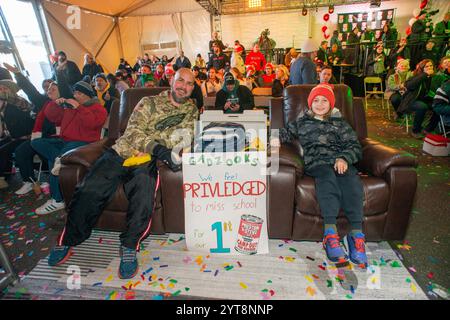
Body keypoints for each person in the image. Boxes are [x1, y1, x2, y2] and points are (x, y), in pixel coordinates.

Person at [46, 69, 198, 279]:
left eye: (190, 84)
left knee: (144, 192)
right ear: (172, 81)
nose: (184, 86)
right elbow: (133, 131)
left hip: (146, 161)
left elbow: (185, 136)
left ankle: (129, 246)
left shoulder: (191, 110)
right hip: (121, 152)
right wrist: (157, 147)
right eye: (181, 80)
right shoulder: (149, 102)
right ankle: (69, 239)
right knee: (90, 187)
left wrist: (157, 150)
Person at [275, 84, 367, 268]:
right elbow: (284, 132)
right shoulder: (303, 121)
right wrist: (273, 138)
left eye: (324, 100)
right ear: (310, 103)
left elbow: (355, 146)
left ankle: (356, 235)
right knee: (327, 180)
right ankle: (330, 234)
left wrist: (344, 158)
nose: (320, 103)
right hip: (318, 163)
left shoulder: (340, 123)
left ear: (331, 104)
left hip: (340, 162)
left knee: (351, 181)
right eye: (315, 100)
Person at [31, 81, 107, 214]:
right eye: (75, 92)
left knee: (54, 160)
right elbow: (53, 117)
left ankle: (57, 200)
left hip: (85, 143)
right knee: (37, 143)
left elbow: (92, 124)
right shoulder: (69, 107)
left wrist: (79, 107)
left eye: (79, 93)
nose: (75, 95)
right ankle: (60, 158)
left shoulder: (98, 108)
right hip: (65, 141)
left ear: (87, 95)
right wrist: (56, 104)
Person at [0, 80, 34, 189]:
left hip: (28, 136)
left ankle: (3, 178)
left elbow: (24, 106)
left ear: (11, 89)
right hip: (15, 137)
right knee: (2, 147)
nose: (2, 91)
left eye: (4, 88)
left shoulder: (20, 100)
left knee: (8, 150)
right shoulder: (5, 105)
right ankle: (4, 175)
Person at [398, 59, 439, 138]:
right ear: (422, 68)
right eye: (426, 66)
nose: (429, 67)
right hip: (411, 100)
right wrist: (424, 74)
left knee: (439, 105)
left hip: (424, 99)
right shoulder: (416, 76)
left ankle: (428, 128)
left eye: (431, 66)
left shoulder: (434, 77)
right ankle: (415, 130)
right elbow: (409, 85)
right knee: (422, 106)